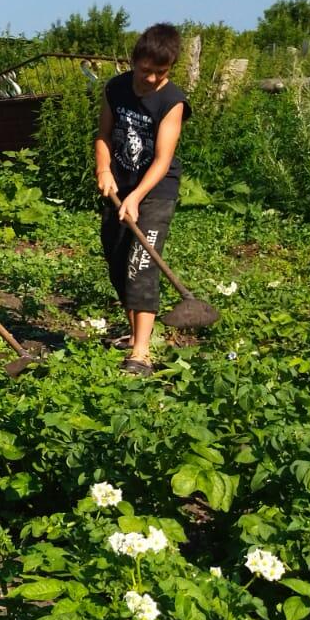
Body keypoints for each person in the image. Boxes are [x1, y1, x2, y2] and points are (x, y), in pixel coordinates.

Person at [95, 23, 188, 375]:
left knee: (142, 265)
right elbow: (103, 134)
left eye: (160, 73)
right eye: (145, 70)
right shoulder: (116, 88)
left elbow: (163, 159)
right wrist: (104, 170)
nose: (151, 79)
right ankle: (134, 333)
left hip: (155, 192)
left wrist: (136, 196)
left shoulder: (172, 100)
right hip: (118, 187)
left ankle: (142, 352)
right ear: (134, 61)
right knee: (119, 263)